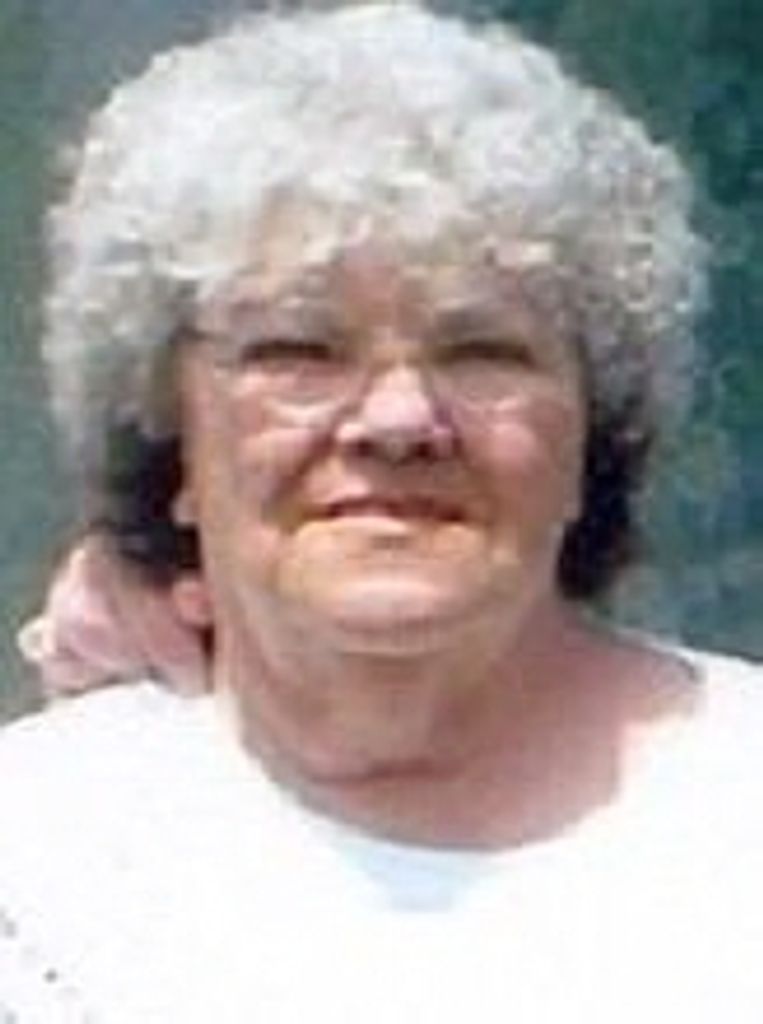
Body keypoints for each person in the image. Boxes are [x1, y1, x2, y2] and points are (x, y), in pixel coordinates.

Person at [2, 3, 761, 1020]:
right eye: (299, 351)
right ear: (169, 433)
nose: (398, 421)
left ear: (594, 435)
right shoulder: (36, 868)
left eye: (482, 351)